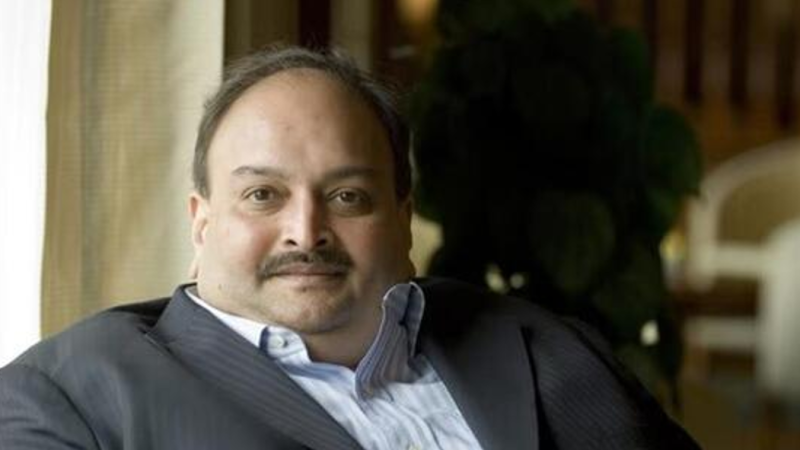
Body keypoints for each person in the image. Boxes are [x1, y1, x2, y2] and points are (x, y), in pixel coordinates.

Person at [0, 45, 701, 450]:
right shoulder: (69, 397)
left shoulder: (542, 345)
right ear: (202, 223)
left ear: (403, 220)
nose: (306, 232)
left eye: (347, 197)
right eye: (263, 195)